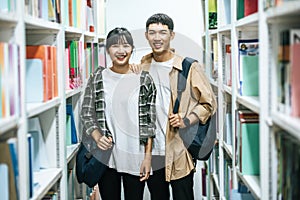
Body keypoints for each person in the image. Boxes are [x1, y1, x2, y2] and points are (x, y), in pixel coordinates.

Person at [138, 13, 217, 200]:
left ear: (171, 36)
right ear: (146, 35)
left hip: (179, 149)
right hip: (152, 151)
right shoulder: (143, 65)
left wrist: (186, 119)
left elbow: (208, 103)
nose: (157, 38)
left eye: (163, 33)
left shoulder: (189, 67)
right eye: (152, 33)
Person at [80, 27, 157, 200]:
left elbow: (150, 122)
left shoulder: (144, 79)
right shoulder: (98, 77)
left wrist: (147, 157)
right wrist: (97, 136)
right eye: (115, 46)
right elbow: (86, 112)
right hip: (107, 158)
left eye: (126, 46)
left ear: (132, 49)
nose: (121, 51)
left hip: (135, 155)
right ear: (107, 50)